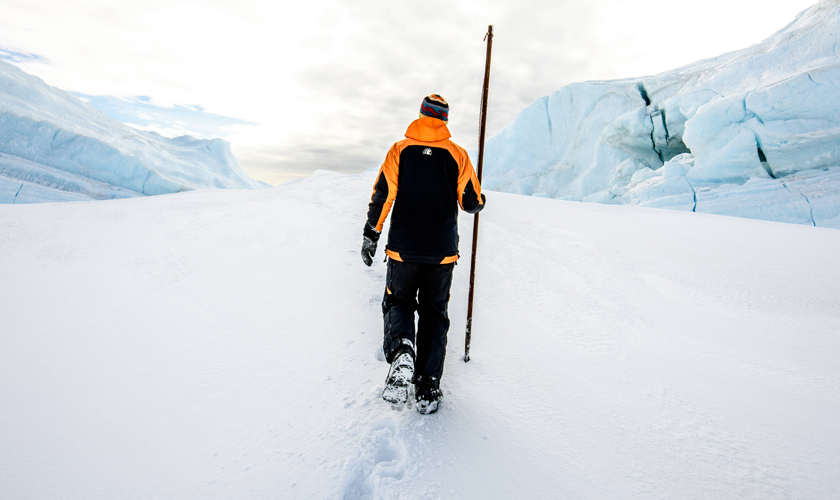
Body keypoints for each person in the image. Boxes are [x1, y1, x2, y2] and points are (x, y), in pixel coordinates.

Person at [361, 94, 485, 414]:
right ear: (444, 119)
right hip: (442, 252)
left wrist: (371, 233)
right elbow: (470, 202)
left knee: (399, 302)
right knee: (434, 313)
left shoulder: (399, 150)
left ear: (420, 115)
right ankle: (428, 387)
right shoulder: (457, 154)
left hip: (403, 248)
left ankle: (403, 350)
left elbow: (383, 195)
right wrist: (479, 199)